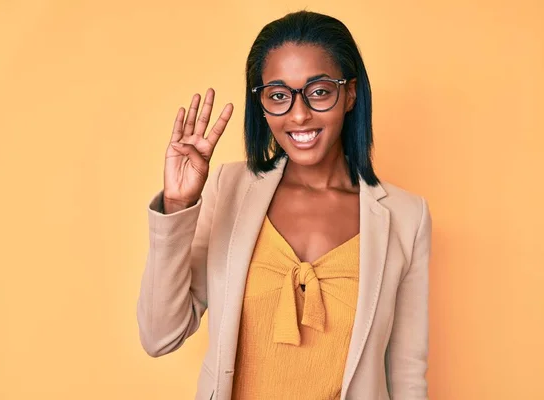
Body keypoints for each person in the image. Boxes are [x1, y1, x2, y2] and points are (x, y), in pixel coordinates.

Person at [137, 10, 432, 400]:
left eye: (319, 91)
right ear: (261, 104)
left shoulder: (406, 217)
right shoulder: (228, 189)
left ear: (350, 93)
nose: (299, 114)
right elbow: (160, 336)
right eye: (278, 95)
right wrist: (177, 204)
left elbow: (407, 376)